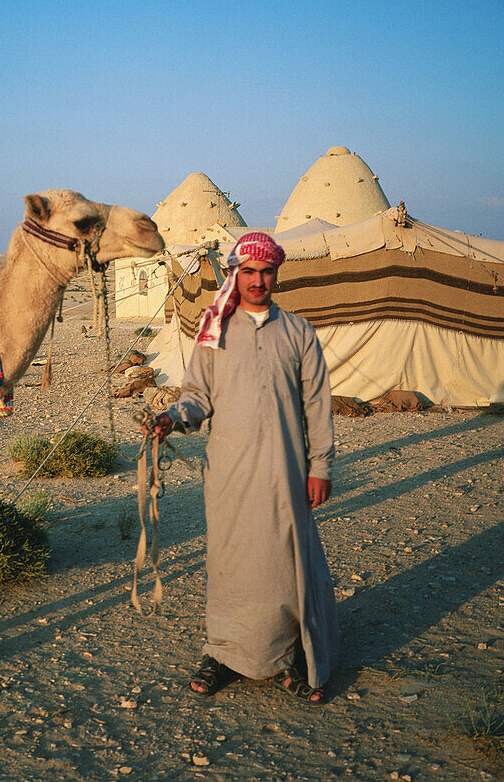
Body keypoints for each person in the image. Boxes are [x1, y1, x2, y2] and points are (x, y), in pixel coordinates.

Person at [148, 231, 338, 705]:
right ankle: (223, 653)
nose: (258, 281)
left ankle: (287, 657)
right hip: (229, 471)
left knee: (280, 562)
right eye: (248, 272)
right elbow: (197, 395)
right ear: (235, 274)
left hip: (285, 469)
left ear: (277, 274)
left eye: (266, 272)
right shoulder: (214, 332)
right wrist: (174, 416)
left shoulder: (298, 331)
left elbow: (317, 405)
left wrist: (321, 466)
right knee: (231, 563)